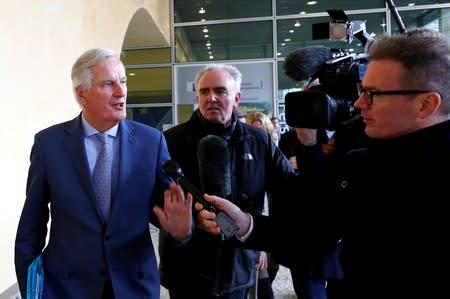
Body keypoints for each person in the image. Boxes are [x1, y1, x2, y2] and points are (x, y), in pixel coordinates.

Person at [193, 27, 450, 298]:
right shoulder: (359, 164)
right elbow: (314, 230)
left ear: (425, 104)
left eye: (373, 94)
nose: (359, 103)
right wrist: (245, 223)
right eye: (361, 91)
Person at [14, 47, 191, 299]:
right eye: (108, 84)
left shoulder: (151, 142)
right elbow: (30, 227)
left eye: (123, 81)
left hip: (134, 287)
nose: (121, 92)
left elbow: (166, 211)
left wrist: (181, 230)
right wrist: (31, 289)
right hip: (66, 289)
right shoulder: (48, 145)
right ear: (82, 93)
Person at [158, 63, 298, 299]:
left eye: (220, 91)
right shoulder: (170, 141)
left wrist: (262, 236)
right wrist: (193, 220)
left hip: (238, 267)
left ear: (236, 97)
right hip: (185, 268)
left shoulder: (258, 140)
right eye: (204, 92)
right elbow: (154, 197)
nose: (211, 98)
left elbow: (288, 191)